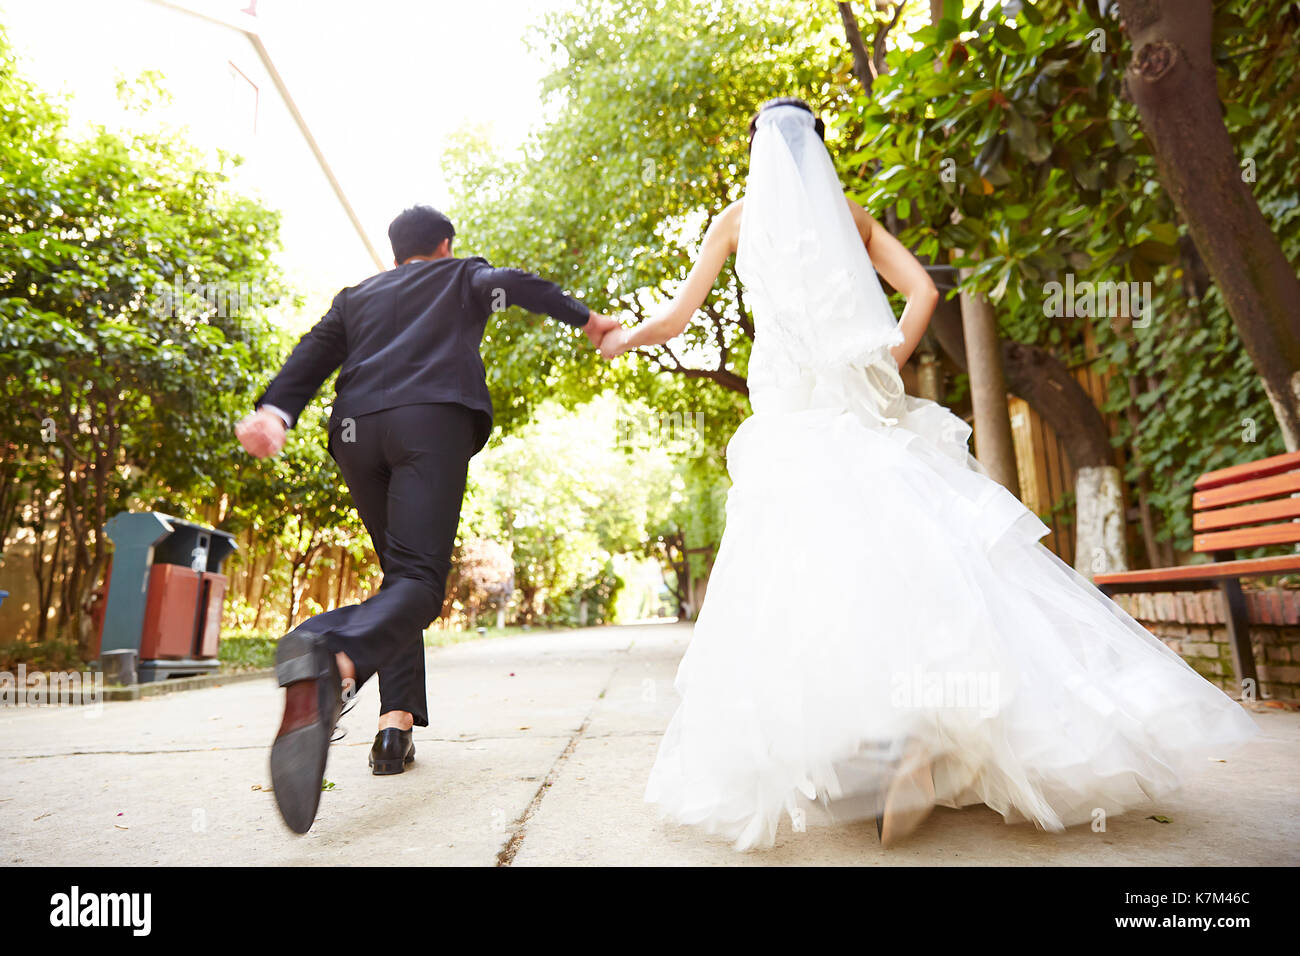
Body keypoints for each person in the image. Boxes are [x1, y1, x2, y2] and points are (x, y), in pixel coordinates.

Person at [598, 98, 1259, 851]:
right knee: (919, 565)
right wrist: (891, 355)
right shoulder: (853, 215)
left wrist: (621, 339)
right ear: (821, 147)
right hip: (863, 415)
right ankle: (909, 748)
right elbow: (925, 292)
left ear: (756, 151)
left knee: (808, 582)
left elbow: (680, 317)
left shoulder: (737, 221)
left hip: (789, 426)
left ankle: (874, 753)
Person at [236, 205, 619, 833]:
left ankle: (395, 725)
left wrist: (276, 412)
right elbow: (516, 285)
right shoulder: (460, 274)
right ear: (444, 246)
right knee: (418, 582)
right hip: (430, 421)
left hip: (357, 434)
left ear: (395, 253)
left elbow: (315, 351)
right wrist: (588, 319)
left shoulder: (356, 297)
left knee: (398, 577)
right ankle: (332, 652)